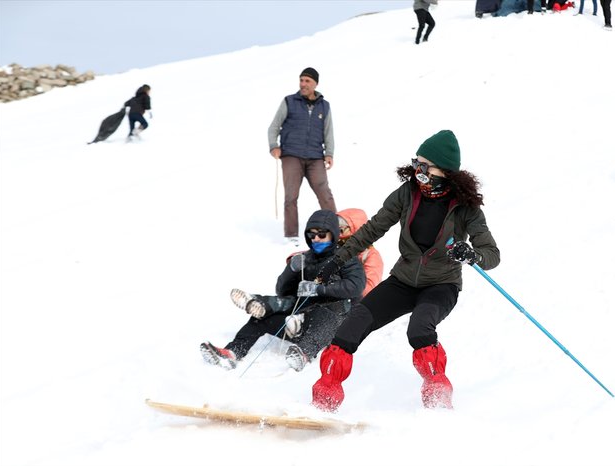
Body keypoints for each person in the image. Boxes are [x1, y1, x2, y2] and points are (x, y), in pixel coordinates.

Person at [309, 130, 500, 412]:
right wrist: (337, 260)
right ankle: (324, 399)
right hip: (403, 281)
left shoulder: (465, 209)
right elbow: (373, 229)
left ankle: (437, 398)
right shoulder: (407, 194)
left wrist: (472, 254)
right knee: (354, 322)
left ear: (445, 171)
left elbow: (491, 255)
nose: (418, 170)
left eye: (426, 166)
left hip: (441, 285)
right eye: (416, 163)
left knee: (420, 329)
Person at [200, 209, 365, 372]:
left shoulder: (346, 258)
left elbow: (356, 286)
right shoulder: (306, 258)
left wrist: (319, 289)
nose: (316, 239)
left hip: (336, 324)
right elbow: (282, 290)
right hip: (303, 317)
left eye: (322, 235)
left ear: (334, 235)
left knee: (328, 313)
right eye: (312, 235)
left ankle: (304, 354)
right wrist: (291, 270)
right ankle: (233, 352)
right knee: (263, 317)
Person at [268, 68, 337, 247]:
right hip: (291, 155)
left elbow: (328, 132)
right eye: (301, 80)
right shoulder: (289, 102)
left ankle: (335, 231)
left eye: (307, 81)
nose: (303, 84)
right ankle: (291, 235)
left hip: (315, 157)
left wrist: (329, 153)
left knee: (325, 194)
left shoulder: (324, 106)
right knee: (291, 196)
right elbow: (273, 127)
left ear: (315, 83)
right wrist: (273, 147)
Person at [336, 208, 384, 297]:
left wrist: (339, 290)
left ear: (356, 230)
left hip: (351, 302)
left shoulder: (370, 255)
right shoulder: (335, 247)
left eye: (341, 230)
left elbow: (369, 287)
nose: (338, 235)